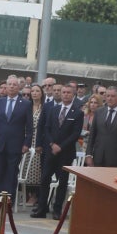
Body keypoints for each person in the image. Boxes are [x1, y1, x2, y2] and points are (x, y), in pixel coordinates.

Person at [32, 81, 82, 217]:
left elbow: (75, 134)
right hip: (50, 151)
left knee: (62, 182)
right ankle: (42, 208)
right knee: (45, 179)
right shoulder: (54, 109)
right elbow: (46, 128)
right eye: (63, 92)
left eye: (68, 93)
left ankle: (58, 210)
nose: (65, 95)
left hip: (65, 153)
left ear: (73, 95)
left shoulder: (77, 112)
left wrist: (60, 146)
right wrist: (52, 144)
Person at [0, 74, 28, 207]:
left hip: (16, 145)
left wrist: (26, 143)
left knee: (11, 173)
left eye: (15, 85)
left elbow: (29, 127)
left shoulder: (25, 104)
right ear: (6, 87)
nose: (12, 87)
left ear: (19, 87)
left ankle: (9, 200)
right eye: (10, 84)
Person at [87, 85, 117, 167]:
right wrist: (88, 155)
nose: (109, 98)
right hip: (98, 157)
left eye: (113, 96)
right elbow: (92, 135)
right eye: (107, 96)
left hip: (116, 159)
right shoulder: (99, 112)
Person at [19, 83, 47, 204]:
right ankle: (25, 193)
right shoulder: (27, 106)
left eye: (37, 91)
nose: (34, 93)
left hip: (38, 139)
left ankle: (34, 195)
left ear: (41, 93)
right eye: (33, 91)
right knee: (25, 166)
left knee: (35, 168)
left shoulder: (45, 107)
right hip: (26, 137)